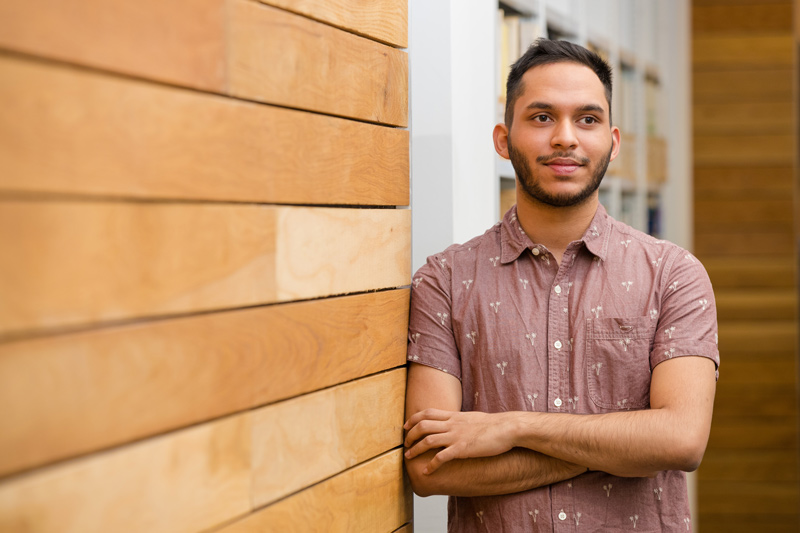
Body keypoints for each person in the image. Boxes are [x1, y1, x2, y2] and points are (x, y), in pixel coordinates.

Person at [403, 38, 719, 532]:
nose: (565, 138)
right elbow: (430, 467)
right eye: (542, 117)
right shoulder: (444, 282)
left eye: (587, 119)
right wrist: (621, 445)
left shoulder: (674, 275)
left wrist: (511, 427)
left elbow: (680, 440)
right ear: (504, 139)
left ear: (613, 141)